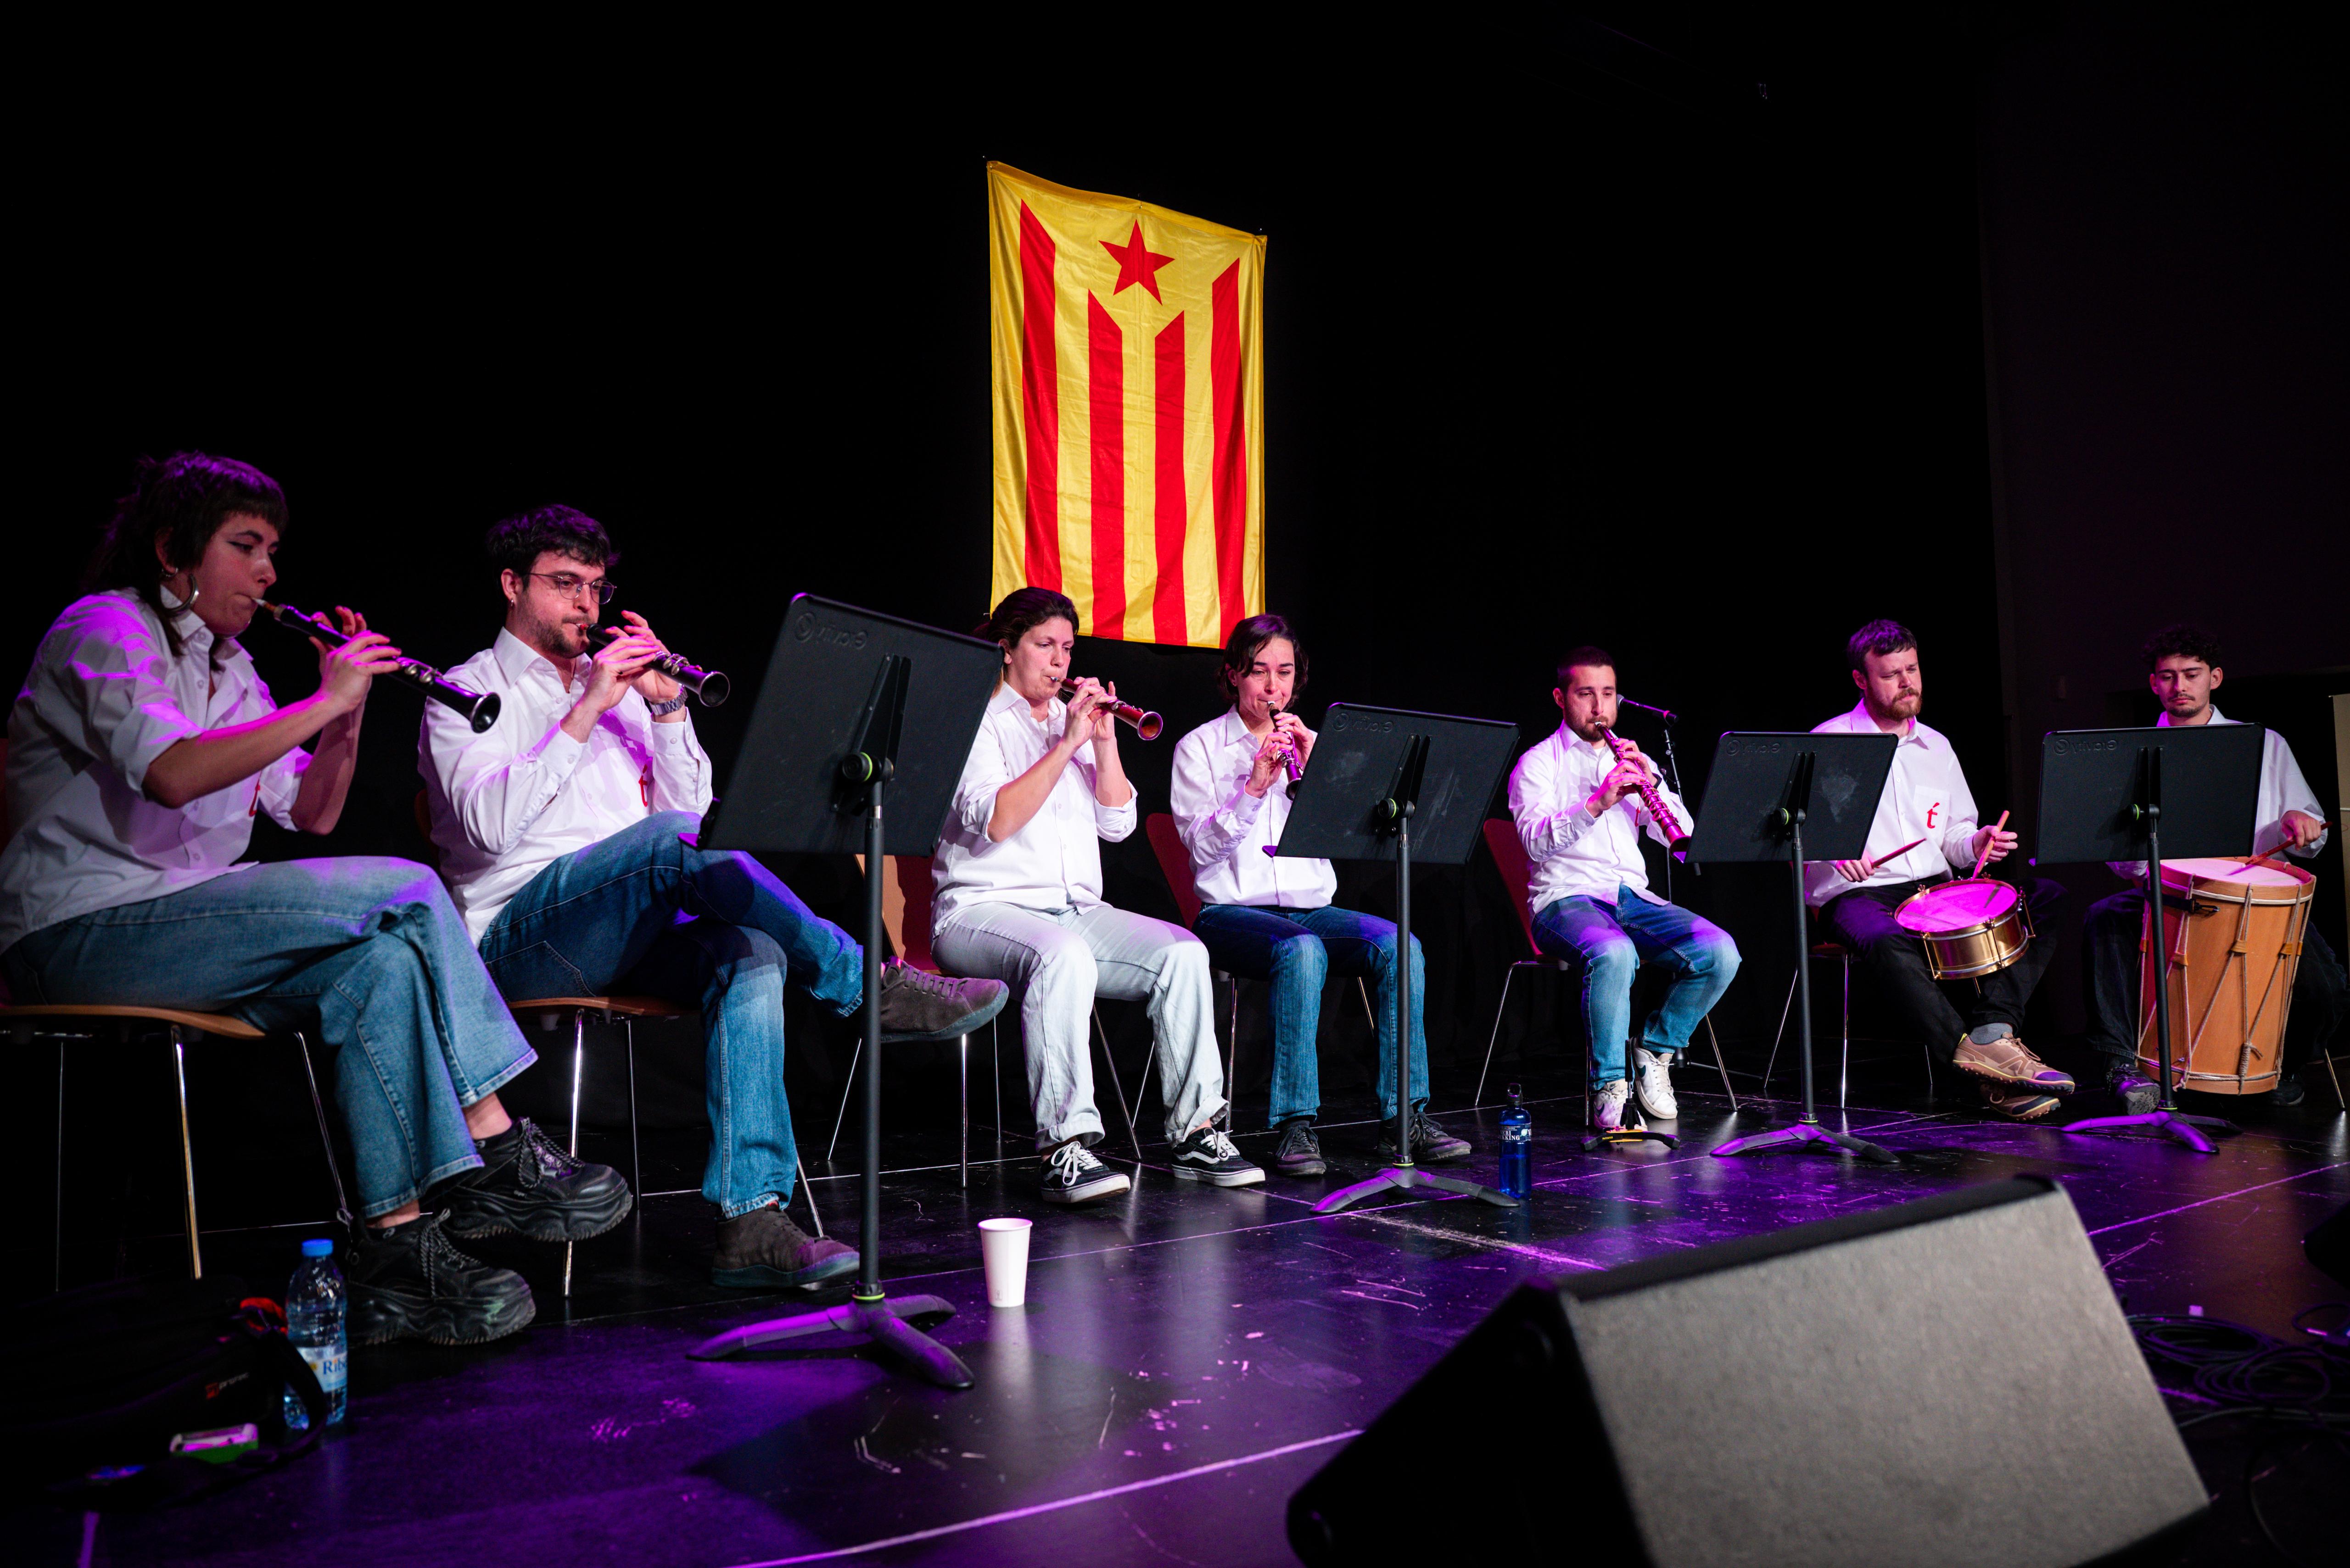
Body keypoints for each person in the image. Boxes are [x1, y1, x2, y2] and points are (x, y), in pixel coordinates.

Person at [2, 452, 628, 1347]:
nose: (269, 572)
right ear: (174, 549)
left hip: (187, 930)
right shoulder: (105, 628)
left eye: (273, 550)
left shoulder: (230, 667)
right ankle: (493, 1143)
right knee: (408, 888)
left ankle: (396, 1250)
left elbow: (314, 811)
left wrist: (348, 709)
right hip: (77, 935)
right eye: (246, 546)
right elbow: (172, 773)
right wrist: (324, 697)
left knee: (377, 966)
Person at [420, 505, 1007, 1287]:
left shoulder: (624, 695)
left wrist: (666, 708)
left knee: (752, 952)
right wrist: (587, 709)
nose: (586, 605)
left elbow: (702, 824)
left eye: (596, 588)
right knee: (668, 841)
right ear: (511, 585)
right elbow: (489, 829)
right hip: (518, 940)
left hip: (627, 926)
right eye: (565, 584)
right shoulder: (465, 690)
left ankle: (750, 1217)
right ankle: (865, 985)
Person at [930, 588, 1262, 1204]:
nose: (1059, 661)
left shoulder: (1072, 722)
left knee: (1183, 954)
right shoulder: (975, 718)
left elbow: (1118, 825)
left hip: (1073, 912)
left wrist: (1103, 741)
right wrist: (1066, 745)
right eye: (1044, 645)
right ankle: (1065, 1147)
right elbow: (997, 822)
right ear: (1007, 649)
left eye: (1067, 648)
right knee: (1061, 956)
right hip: (980, 911)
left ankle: (1195, 1132)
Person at [1170, 615, 1471, 1177]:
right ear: (1233, 675)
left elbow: (1357, 837)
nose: (1272, 687)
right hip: (1231, 913)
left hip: (1312, 908)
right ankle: (1294, 1124)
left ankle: (1404, 1117)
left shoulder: (1315, 747)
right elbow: (1202, 851)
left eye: (1284, 673)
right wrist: (1253, 787)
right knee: (1301, 950)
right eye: (1258, 672)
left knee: (1399, 946)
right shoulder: (1199, 749)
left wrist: (1320, 773)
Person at [1807, 619, 2072, 1119]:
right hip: (1858, 894)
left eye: (1911, 669)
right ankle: (1979, 1066)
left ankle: (1993, 1030)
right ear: (1861, 680)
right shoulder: (1830, 741)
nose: (1906, 682)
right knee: (1885, 938)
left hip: (1932, 889)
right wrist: (1831, 850)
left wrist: (1976, 842)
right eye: (1891, 675)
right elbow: (1795, 832)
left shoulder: (1937, 746)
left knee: (2045, 898)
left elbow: (1953, 836)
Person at [2081, 623, 2344, 1110]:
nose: (2178, 686)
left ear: (2214, 678)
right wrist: (2139, 857)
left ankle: (2282, 1067)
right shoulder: (2135, 752)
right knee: (2104, 920)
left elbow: (2310, 829)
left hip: (2255, 900)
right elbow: (2122, 861)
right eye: (2167, 676)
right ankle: (2121, 1065)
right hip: (2169, 894)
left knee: (2326, 987)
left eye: (2191, 674)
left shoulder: (2263, 743)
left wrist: (2298, 822)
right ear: (2153, 684)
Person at [1507, 646, 1740, 1129]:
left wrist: (1652, 785)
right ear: (1561, 698)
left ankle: (1654, 1050)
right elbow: (1533, 843)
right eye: (1586, 694)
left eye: (1608, 694)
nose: (1599, 707)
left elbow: (1683, 838)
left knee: (1720, 952)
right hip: (1565, 899)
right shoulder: (1537, 764)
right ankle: (1609, 1086)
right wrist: (1597, 802)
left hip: (1631, 899)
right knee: (1614, 953)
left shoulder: (1635, 759)